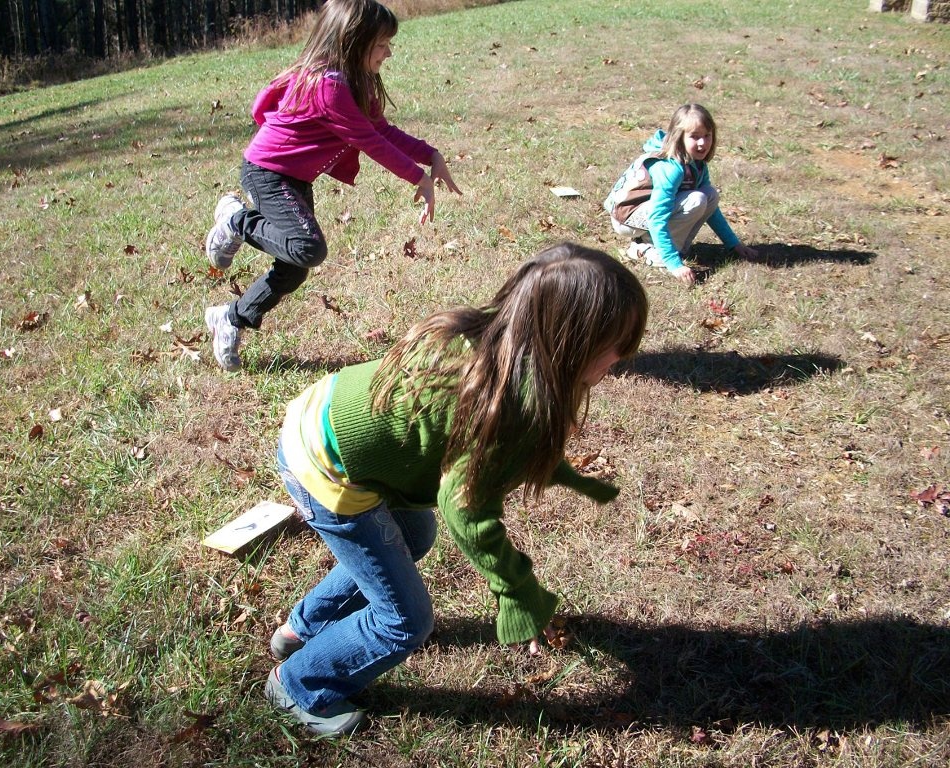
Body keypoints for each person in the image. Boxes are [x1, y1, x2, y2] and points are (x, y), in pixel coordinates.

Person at [264, 242, 649, 735]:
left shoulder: (499, 339)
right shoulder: (508, 402)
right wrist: (519, 592)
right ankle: (297, 685)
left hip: (319, 416)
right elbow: (466, 509)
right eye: (616, 344)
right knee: (405, 622)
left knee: (413, 538)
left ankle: (302, 630)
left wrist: (570, 476)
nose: (623, 357)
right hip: (327, 469)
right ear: (567, 343)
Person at [203, 0, 461, 371]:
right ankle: (235, 221)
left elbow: (380, 130)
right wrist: (418, 177)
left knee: (294, 265)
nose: (389, 52)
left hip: (293, 178)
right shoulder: (330, 87)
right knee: (308, 248)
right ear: (354, 42)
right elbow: (368, 142)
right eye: (382, 44)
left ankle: (230, 318)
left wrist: (429, 154)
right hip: (267, 173)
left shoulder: (357, 81)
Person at [603, 103, 757, 288]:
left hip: (646, 211)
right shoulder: (671, 168)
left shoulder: (697, 164)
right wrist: (673, 264)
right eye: (695, 137)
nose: (702, 143)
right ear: (679, 137)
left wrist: (733, 243)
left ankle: (668, 248)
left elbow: (711, 209)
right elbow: (657, 217)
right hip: (627, 217)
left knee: (709, 195)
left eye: (707, 136)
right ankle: (646, 249)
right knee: (696, 199)